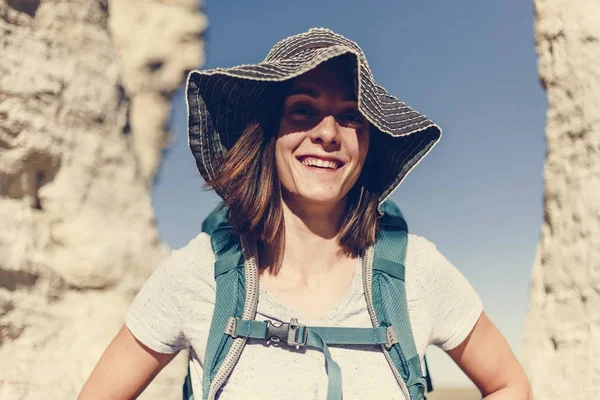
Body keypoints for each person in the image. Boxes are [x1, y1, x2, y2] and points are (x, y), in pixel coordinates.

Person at [79, 28, 532, 399]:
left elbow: (511, 385)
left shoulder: (416, 271)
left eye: (352, 116)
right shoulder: (198, 273)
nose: (329, 134)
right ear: (267, 134)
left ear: (368, 143)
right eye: (303, 111)